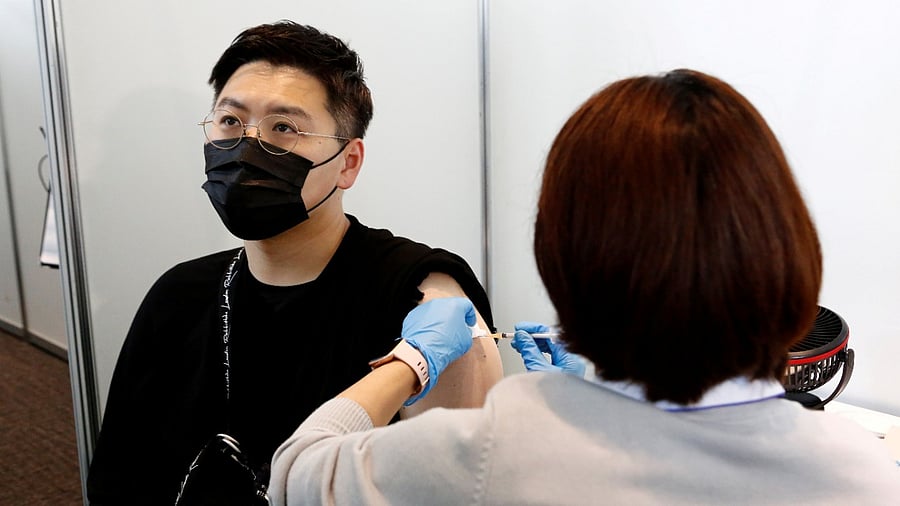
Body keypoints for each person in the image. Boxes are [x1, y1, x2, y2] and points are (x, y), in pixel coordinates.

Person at [267, 69, 900, 505]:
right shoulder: (864, 476)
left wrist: (409, 362)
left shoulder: (500, 450)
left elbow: (296, 474)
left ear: (566, 256)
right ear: (785, 244)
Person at [86, 20, 502, 505]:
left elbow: (450, 491)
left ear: (347, 163)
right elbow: (119, 477)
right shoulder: (178, 294)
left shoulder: (422, 301)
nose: (246, 148)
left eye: (283, 127)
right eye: (230, 122)